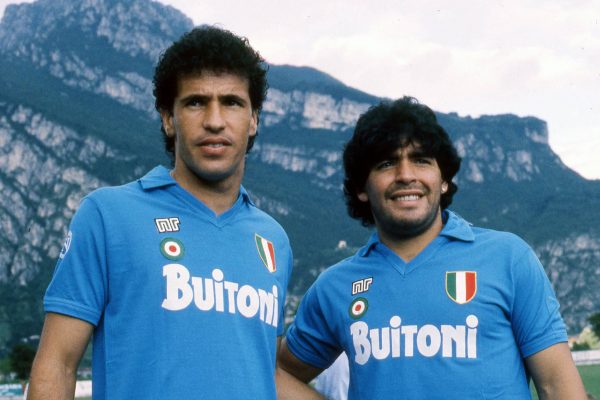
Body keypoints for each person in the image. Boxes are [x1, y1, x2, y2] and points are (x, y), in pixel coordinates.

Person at [27, 26, 320, 400]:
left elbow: (265, 371)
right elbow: (58, 365)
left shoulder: (273, 238)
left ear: (254, 120)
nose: (215, 120)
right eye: (196, 102)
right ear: (168, 118)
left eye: (231, 102)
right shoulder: (107, 215)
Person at [278, 96, 588, 399]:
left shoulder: (508, 257)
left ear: (444, 179)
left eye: (421, 160)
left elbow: (557, 388)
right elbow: (277, 374)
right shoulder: (335, 286)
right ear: (361, 187)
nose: (406, 175)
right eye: (386, 163)